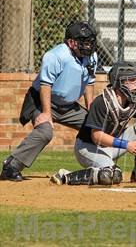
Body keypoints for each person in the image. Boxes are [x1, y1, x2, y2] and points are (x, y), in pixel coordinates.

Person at [0, 21, 98, 182]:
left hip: (68, 106)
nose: (88, 45)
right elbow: (46, 85)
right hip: (42, 101)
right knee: (45, 132)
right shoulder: (55, 56)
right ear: (71, 42)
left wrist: (91, 110)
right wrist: (46, 113)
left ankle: (102, 166)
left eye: (90, 41)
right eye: (84, 41)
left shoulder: (91, 56)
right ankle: (11, 166)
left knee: (96, 126)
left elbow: (89, 82)